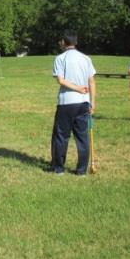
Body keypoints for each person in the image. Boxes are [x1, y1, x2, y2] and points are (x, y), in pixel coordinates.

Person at [51, 30, 96, 175]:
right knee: (82, 137)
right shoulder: (86, 58)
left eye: (60, 41)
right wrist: (92, 102)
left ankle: (59, 168)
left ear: (64, 42)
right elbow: (92, 81)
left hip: (66, 102)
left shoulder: (60, 58)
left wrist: (77, 88)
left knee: (61, 136)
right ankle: (81, 170)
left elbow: (60, 80)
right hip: (83, 103)